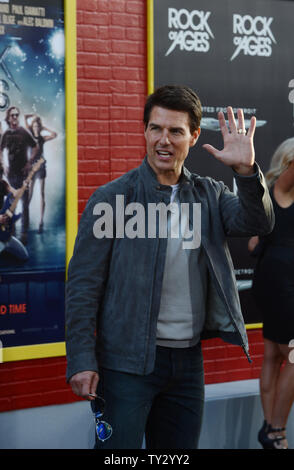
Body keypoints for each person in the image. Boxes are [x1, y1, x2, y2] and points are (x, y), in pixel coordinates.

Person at [65, 85, 274, 449]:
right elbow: (83, 286)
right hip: (125, 365)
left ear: (193, 136)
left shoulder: (209, 195)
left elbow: (257, 222)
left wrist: (245, 171)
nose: (164, 140)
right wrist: (82, 359)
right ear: (145, 131)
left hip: (187, 365)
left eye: (175, 131)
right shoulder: (112, 199)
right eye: (155, 128)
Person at [249, 137, 294, 449]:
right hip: (280, 283)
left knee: (273, 354)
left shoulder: (267, 190)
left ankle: (270, 428)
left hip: (277, 279)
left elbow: (253, 243)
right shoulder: (277, 189)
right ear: (289, 163)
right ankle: (276, 431)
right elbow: (253, 244)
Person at [0, 106, 38, 245]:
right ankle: (12, 232)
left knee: (25, 204)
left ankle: (24, 233)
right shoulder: (6, 134)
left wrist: (29, 163)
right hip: (11, 174)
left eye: (17, 115)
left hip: (23, 173)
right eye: (12, 115)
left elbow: (35, 146)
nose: (15, 117)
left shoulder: (23, 132)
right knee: (11, 204)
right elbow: (0, 149)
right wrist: (4, 164)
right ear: (9, 117)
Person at [24, 114, 57, 234]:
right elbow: (25, 117)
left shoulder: (42, 138)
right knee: (29, 194)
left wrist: (44, 128)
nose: (36, 128)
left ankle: (41, 222)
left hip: (41, 166)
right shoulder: (30, 136)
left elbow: (54, 134)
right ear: (32, 127)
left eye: (38, 126)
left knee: (42, 193)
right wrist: (32, 116)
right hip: (32, 167)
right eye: (35, 126)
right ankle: (25, 220)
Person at [0, 163, 28, 262]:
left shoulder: (3, 183)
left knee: (24, 255)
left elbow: (15, 193)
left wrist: (23, 187)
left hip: (3, 233)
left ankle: (4, 248)